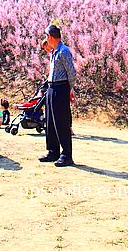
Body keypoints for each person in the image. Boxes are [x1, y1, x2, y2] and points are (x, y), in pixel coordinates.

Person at [39, 24, 77, 167]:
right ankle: (52, 151)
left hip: (61, 88)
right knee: (50, 122)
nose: (45, 39)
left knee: (61, 122)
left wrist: (69, 89)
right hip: (51, 88)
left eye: (46, 36)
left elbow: (71, 73)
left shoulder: (64, 51)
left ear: (50, 37)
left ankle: (66, 155)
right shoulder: (54, 52)